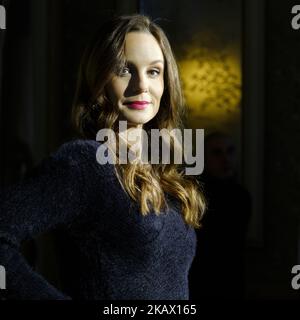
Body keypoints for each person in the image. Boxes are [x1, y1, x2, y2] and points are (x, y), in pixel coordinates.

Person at [0, 14, 206, 300]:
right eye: (124, 70)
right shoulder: (85, 163)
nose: (142, 85)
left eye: (154, 72)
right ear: (99, 78)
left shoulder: (163, 173)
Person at [189, 132, 251, 299]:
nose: (225, 159)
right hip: (200, 283)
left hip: (233, 281)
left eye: (230, 151)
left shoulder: (241, 196)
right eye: (217, 153)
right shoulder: (194, 196)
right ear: (204, 158)